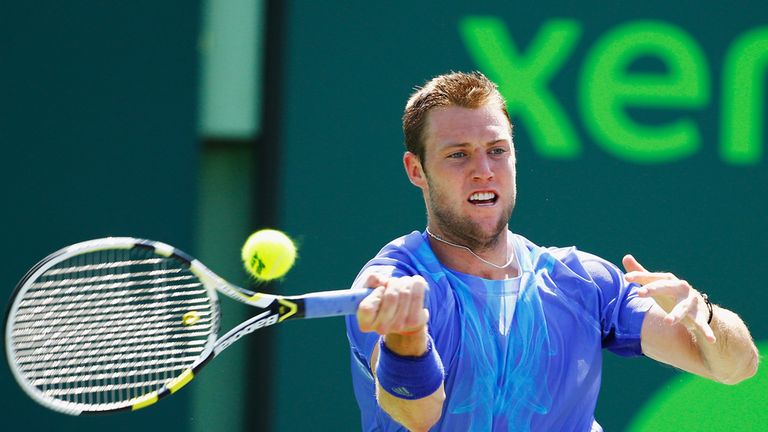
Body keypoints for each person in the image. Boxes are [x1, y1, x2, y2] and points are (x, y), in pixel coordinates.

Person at [344, 71, 759, 432]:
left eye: (497, 150)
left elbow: (737, 367)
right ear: (416, 170)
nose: (483, 170)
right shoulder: (391, 281)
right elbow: (416, 414)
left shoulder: (582, 281)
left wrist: (705, 314)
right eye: (458, 155)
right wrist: (408, 338)